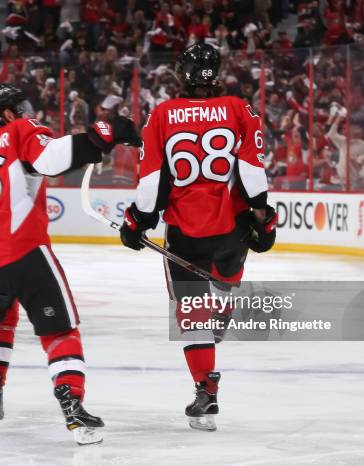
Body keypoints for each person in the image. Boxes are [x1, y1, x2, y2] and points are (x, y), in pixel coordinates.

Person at [0, 83, 140, 444]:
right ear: (6, 115)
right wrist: (106, 132)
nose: (26, 111)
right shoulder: (21, 131)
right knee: (60, 330)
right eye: (19, 106)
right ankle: (73, 407)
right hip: (19, 248)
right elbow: (53, 159)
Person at [118, 44, 277, 431]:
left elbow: (152, 180)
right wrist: (263, 216)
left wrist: (137, 220)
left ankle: (206, 390)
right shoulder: (241, 108)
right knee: (225, 278)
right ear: (216, 73)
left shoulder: (162, 114)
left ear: (180, 74)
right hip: (233, 225)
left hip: (185, 231)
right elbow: (252, 168)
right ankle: (224, 302)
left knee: (192, 315)